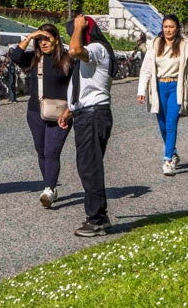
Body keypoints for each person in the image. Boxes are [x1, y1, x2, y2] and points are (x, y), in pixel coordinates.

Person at [59, 14, 115, 237]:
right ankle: (99, 217)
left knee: (89, 167)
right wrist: (69, 110)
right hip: (86, 114)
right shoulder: (92, 53)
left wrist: (79, 27)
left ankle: (97, 219)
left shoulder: (97, 49)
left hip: (93, 116)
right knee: (88, 166)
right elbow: (85, 86)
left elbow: (74, 50)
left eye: (74, 30)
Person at [9, 23, 72, 207]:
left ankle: (49, 189)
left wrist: (70, 111)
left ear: (56, 39)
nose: (44, 43)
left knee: (52, 151)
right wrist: (29, 38)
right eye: (40, 40)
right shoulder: (35, 59)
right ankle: (49, 185)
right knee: (41, 151)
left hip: (61, 113)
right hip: (36, 112)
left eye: (47, 39)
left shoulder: (68, 59)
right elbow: (15, 57)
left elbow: (78, 87)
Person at [137, 13, 188, 175]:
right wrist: (141, 90)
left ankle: (168, 160)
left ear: (177, 28)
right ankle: (173, 152)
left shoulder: (185, 46)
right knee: (162, 124)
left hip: (176, 87)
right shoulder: (155, 44)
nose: (168, 30)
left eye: (171, 27)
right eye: (165, 27)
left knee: (171, 124)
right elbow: (146, 69)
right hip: (158, 87)